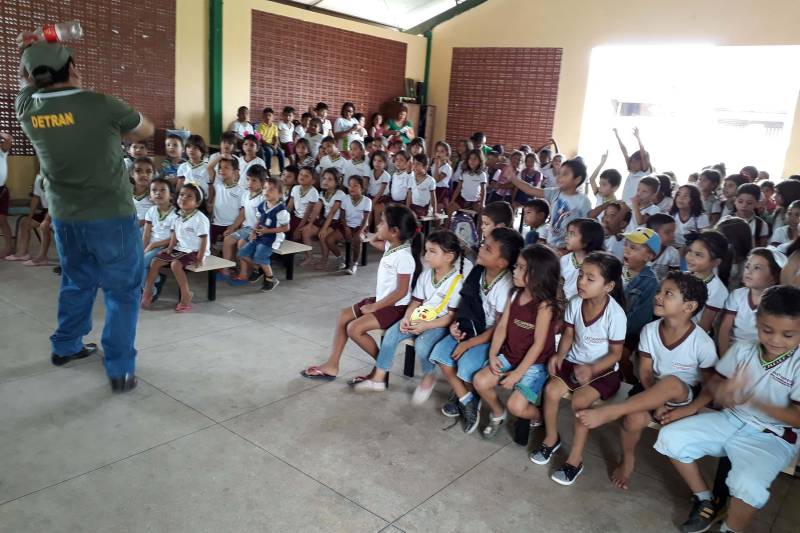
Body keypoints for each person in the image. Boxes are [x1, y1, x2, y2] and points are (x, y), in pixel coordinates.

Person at [16, 41, 154, 392]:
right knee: (122, 291)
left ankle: (65, 346)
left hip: (64, 217)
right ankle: (120, 367)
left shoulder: (27, 108)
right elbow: (146, 130)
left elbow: (25, 81)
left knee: (77, 282)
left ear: (33, 76)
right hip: (112, 217)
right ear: (73, 68)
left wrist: (30, 51)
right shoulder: (100, 104)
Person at [655, 285, 800, 533]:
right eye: (767, 330)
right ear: (757, 322)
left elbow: (797, 418)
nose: (775, 340)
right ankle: (705, 499)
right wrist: (697, 405)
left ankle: (731, 529)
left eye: (788, 335)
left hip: (772, 435)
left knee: (748, 484)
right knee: (670, 437)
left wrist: (751, 398)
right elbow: (716, 386)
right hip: (732, 419)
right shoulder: (744, 348)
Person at [576, 272, 717, 491]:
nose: (658, 296)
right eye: (659, 291)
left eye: (668, 294)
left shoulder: (702, 342)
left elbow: (711, 386)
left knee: (671, 382)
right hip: (650, 388)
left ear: (688, 307)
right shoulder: (650, 330)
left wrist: (689, 410)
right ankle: (628, 459)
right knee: (633, 419)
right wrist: (656, 402)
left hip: (682, 396)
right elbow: (645, 373)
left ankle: (612, 411)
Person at [531, 252, 626, 486]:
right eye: (581, 275)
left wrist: (592, 368)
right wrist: (560, 355)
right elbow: (569, 334)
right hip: (575, 362)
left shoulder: (616, 315)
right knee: (551, 391)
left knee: (580, 402)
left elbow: (616, 354)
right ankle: (551, 438)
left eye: (590, 278)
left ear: (609, 286)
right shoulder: (575, 303)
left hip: (604, 371)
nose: (581, 282)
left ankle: (575, 459)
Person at [300, 205, 421, 380]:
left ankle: (381, 367)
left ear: (394, 231)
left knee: (354, 329)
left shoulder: (404, 257)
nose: (378, 225)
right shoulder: (392, 246)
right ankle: (332, 365)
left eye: (382, 223)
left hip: (396, 307)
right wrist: (376, 235)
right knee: (344, 315)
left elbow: (401, 292)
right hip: (382, 301)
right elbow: (375, 241)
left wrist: (375, 307)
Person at [429, 228, 523, 433]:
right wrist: (456, 326)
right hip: (468, 328)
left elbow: (500, 327)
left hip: (491, 338)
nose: (480, 249)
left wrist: (468, 343)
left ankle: (470, 395)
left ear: (501, 263)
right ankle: (467, 399)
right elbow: (466, 305)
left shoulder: (505, 286)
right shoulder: (478, 271)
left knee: (466, 363)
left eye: (487, 249)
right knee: (441, 354)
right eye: (483, 244)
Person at [354, 230, 465, 394]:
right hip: (418, 318)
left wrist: (426, 325)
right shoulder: (426, 275)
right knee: (392, 334)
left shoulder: (457, 282)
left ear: (449, 257)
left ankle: (429, 376)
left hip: (439, 324)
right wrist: (407, 317)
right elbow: (415, 302)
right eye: (426, 250)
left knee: (421, 345)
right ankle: (378, 377)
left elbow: (451, 317)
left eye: (432, 251)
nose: (426, 255)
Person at [473, 244, 561, 438]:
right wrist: (493, 354)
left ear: (538, 275)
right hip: (510, 355)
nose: (515, 270)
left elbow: (538, 344)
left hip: (535, 365)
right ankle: (497, 412)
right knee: (480, 381)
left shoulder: (544, 305)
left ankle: (539, 415)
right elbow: (502, 327)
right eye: (517, 266)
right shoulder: (514, 294)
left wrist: (517, 374)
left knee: (516, 406)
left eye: (521, 268)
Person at [141, 183, 209, 312]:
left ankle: (186, 295)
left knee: (175, 265)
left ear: (197, 203)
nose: (183, 198)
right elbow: (174, 234)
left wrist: (200, 257)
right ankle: (148, 291)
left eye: (189, 196)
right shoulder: (179, 215)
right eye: (182, 195)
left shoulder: (200, 219)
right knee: (155, 261)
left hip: (195, 250)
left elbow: (204, 239)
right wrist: (170, 248)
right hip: (180, 248)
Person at [511, 157, 592, 252]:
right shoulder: (555, 193)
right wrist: (512, 177)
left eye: (565, 174)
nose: (559, 177)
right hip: (550, 243)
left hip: (567, 249)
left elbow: (588, 230)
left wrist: (570, 251)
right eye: (559, 174)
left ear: (577, 179)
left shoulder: (583, 201)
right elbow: (530, 189)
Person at [718, 248, 786, 355]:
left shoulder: (779, 303)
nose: (749, 272)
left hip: (759, 354)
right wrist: (724, 356)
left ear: (774, 276)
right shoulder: (737, 295)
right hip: (733, 350)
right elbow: (724, 329)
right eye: (747, 266)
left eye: (757, 268)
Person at [236, 177, 289, 292]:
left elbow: (286, 228)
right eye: (265, 188)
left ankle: (271, 278)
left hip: (273, 237)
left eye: (271, 190)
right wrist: (254, 232)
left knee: (260, 255)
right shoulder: (262, 205)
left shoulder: (281, 210)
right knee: (242, 253)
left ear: (280, 194)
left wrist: (267, 231)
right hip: (261, 235)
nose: (266, 192)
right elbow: (259, 221)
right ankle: (258, 268)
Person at [220, 164, 267, 279]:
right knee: (228, 239)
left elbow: (264, 219)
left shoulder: (264, 198)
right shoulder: (246, 194)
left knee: (241, 244)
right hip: (246, 228)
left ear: (262, 182)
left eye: (254, 180)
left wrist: (255, 232)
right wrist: (232, 228)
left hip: (259, 231)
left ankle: (244, 272)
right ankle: (225, 269)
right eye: (248, 179)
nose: (249, 183)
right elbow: (242, 214)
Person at [685, 230, 731, 332]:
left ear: (716, 262)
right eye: (690, 251)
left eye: (698, 255)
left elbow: (703, 327)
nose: (690, 257)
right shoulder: (684, 276)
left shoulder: (717, 290)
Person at [140, 177, 177, 302]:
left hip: (166, 246)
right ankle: (156, 279)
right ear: (150, 196)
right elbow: (146, 233)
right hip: (152, 244)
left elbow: (174, 238)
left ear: (171, 195)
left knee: (142, 262)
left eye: (162, 190)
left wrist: (153, 245)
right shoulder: (151, 211)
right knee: (138, 260)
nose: (158, 193)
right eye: (154, 190)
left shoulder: (176, 213)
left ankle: (151, 291)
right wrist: (143, 249)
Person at [5, 171, 54, 265]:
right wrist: (30, 216)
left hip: (58, 211)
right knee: (24, 223)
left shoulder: (57, 176)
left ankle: (42, 258)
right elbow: (36, 197)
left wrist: (47, 219)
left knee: (44, 226)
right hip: (46, 210)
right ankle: (22, 253)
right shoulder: (39, 178)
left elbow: (57, 201)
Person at [560, 218, 605, 300]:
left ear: (587, 240)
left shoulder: (599, 264)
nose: (566, 238)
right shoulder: (564, 260)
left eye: (572, 234)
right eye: (568, 233)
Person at [207, 157, 245, 250]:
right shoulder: (218, 185)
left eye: (226, 167)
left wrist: (233, 227)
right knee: (211, 250)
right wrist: (221, 156)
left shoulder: (241, 190)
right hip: (216, 224)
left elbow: (242, 213)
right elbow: (209, 168)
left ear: (235, 172)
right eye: (220, 167)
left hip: (231, 225)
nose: (221, 170)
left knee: (229, 253)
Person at [314, 168, 347, 270]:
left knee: (323, 236)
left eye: (330, 179)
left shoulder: (340, 194)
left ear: (337, 182)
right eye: (324, 178)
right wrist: (312, 218)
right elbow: (317, 208)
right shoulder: (322, 193)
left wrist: (324, 228)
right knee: (311, 231)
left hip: (338, 221)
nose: (325, 181)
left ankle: (325, 260)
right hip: (327, 220)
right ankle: (315, 258)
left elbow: (332, 213)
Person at [287, 166, 320, 266]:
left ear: (313, 181)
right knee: (284, 228)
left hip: (308, 219)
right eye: (301, 174)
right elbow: (289, 206)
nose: (302, 177)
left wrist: (299, 228)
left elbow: (307, 213)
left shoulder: (313, 191)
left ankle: (309, 257)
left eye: (306, 176)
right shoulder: (295, 188)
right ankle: (285, 256)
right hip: (296, 216)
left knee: (303, 232)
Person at [341, 176, 372, 275]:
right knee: (329, 239)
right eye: (350, 185)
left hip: (361, 226)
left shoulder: (367, 201)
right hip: (347, 225)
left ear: (362, 188)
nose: (352, 188)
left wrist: (359, 232)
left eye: (355, 185)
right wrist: (346, 228)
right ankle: (342, 258)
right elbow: (342, 216)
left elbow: (365, 219)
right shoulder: (345, 198)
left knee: (358, 239)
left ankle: (354, 263)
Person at [615, 127, 652, 203]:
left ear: (643, 163)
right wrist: (617, 136)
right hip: (625, 204)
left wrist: (638, 138)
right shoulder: (631, 171)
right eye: (632, 161)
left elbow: (643, 155)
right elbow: (624, 151)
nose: (632, 164)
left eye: (636, 162)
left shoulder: (644, 173)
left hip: (635, 206)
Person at [448, 149, 487, 215]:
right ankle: (448, 225)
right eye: (470, 158)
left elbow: (483, 190)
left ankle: (479, 225)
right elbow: (458, 188)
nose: (472, 161)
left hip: (475, 201)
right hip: (463, 200)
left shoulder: (482, 174)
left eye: (475, 159)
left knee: (482, 211)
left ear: (480, 161)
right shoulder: (464, 173)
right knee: (450, 208)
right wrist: (452, 200)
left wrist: (482, 203)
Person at [670, 184, 709, 249]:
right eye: (678, 194)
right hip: (671, 247)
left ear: (694, 200)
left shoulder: (700, 217)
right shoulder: (671, 214)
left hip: (690, 249)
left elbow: (704, 239)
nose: (680, 198)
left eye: (686, 196)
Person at [646, 213, 680, 282]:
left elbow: (674, 279)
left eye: (673, 232)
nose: (672, 236)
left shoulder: (673, 253)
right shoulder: (639, 250)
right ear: (652, 234)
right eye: (667, 232)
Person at [407, 153, 436, 218]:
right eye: (414, 163)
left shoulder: (430, 180)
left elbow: (433, 197)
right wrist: (407, 208)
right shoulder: (411, 179)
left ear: (425, 167)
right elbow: (409, 196)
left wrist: (434, 212)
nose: (415, 166)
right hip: (413, 207)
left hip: (424, 208)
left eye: (418, 164)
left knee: (414, 216)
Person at [366, 150, 390, 226]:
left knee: (377, 209)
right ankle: (367, 231)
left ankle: (378, 232)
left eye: (380, 161)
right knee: (367, 210)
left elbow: (381, 191)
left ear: (385, 163)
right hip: (370, 196)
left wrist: (372, 202)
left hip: (382, 198)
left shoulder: (386, 175)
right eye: (375, 160)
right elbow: (366, 187)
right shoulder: (370, 172)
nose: (377, 163)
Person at [257, 107, 283, 172]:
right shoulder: (261, 126)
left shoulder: (274, 126)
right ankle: (268, 169)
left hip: (272, 144)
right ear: (263, 117)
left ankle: (282, 171)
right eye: (266, 115)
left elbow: (276, 139)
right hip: (264, 144)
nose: (267, 117)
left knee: (282, 152)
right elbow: (261, 140)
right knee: (269, 151)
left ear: (273, 117)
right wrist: (271, 147)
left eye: (269, 115)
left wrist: (275, 146)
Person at [432, 141, 453, 213]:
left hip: (442, 191)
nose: (439, 153)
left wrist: (437, 166)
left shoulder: (447, 168)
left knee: (437, 210)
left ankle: (438, 224)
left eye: (442, 151)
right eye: (437, 151)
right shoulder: (434, 165)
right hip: (434, 189)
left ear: (447, 154)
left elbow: (436, 179)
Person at [0, 132, 12, 257]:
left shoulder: (2, 151)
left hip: (1, 191)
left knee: (2, 220)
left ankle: (9, 247)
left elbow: (8, 138)